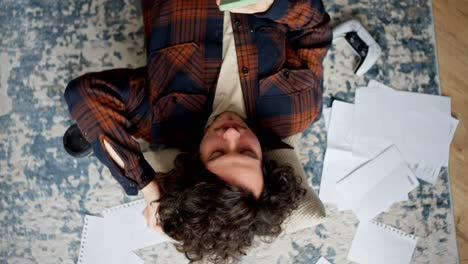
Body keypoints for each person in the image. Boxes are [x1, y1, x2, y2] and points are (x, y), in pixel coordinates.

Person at [64, 0, 331, 262]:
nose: (231, 134)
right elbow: (315, 29)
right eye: (247, 151)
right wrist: (274, 5)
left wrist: (146, 186)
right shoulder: (298, 108)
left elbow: (85, 94)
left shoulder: (163, 119)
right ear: (265, 163)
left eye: (217, 153)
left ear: (196, 164)